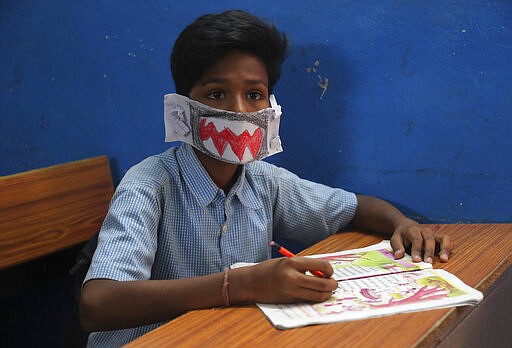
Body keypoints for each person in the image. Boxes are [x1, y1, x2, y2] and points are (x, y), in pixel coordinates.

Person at [79, 9, 452, 347]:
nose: (239, 111)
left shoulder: (264, 181)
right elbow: (98, 305)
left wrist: (401, 223)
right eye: (216, 93)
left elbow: (354, 209)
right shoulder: (148, 184)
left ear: (270, 107)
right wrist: (239, 285)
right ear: (183, 107)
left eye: (255, 94)